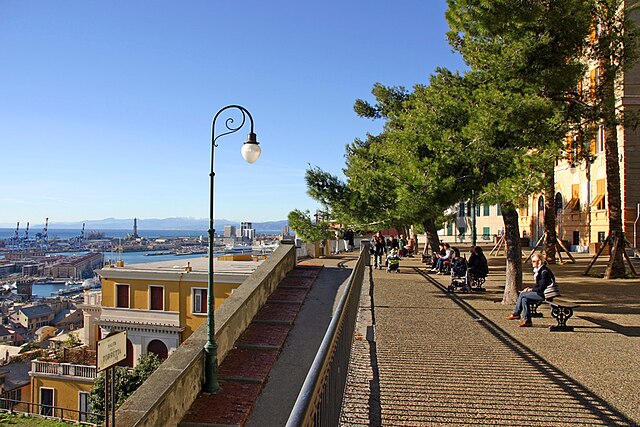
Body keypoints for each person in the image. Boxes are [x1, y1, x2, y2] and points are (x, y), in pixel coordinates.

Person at [506, 253, 556, 327]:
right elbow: (538, 286)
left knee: (522, 294)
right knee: (524, 299)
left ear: (539, 262)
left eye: (533, 261)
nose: (532, 263)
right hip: (542, 293)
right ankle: (527, 321)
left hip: (546, 294)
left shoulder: (544, 272)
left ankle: (516, 313)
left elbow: (541, 288)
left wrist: (531, 290)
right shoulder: (539, 271)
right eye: (532, 261)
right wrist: (530, 289)